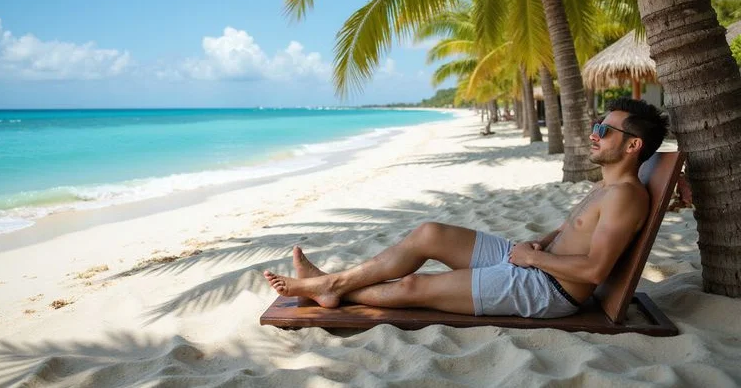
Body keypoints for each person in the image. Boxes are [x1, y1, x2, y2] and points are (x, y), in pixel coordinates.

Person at [264, 98, 670, 318]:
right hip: (535, 261)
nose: (594, 134)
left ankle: (332, 289)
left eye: (604, 129)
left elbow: (596, 270)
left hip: (549, 289)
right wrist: (540, 243)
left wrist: (532, 258)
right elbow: (574, 229)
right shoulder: (610, 184)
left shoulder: (624, 196)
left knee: (413, 288)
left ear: (633, 146)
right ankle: (331, 284)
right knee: (429, 233)